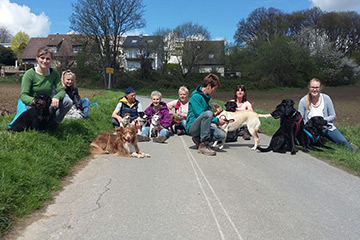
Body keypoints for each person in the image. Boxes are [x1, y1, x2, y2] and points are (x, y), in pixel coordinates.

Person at [10, 46, 72, 129]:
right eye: (42, 58)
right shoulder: (29, 74)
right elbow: (23, 95)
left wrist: (56, 97)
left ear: (51, 60)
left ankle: (53, 123)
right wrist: (35, 102)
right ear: (37, 58)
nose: (44, 61)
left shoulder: (54, 74)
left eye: (48, 59)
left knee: (68, 101)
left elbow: (61, 90)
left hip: (47, 103)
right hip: (32, 105)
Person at [298, 78, 354, 151]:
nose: (314, 90)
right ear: (309, 87)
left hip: (326, 127)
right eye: (312, 87)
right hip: (310, 129)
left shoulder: (326, 98)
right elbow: (300, 119)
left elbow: (333, 115)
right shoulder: (303, 101)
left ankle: (352, 153)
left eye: (317, 87)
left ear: (320, 88)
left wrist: (321, 121)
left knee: (343, 142)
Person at [186, 73, 226, 156]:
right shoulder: (196, 97)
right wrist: (217, 121)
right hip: (192, 127)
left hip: (202, 126)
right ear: (208, 86)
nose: (214, 91)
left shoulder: (205, 97)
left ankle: (198, 139)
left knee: (221, 135)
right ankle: (204, 144)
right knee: (208, 113)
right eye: (214, 88)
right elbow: (200, 114)